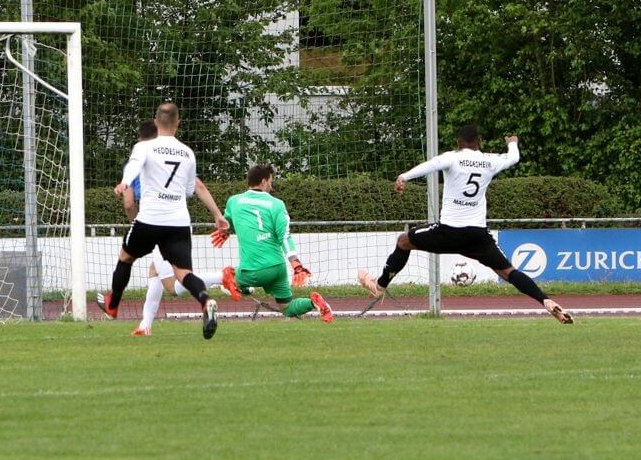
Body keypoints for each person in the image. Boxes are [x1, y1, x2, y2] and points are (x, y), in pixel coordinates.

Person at [357, 125, 573, 324]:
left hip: (448, 232)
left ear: (458, 143)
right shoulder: (490, 160)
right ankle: (546, 301)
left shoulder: (452, 157)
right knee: (508, 271)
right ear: (479, 142)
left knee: (404, 242)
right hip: (477, 236)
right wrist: (512, 142)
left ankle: (380, 286)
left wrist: (404, 176)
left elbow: (429, 166)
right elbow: (513, 158)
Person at [100, 102, 228, 340]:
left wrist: (124, 183)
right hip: (178, 222)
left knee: (126, 257)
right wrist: (217, 215)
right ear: (178, 123)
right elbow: (191, 189)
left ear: (156, 122)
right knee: (183, 273)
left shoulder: (145, 147)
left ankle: (113, 304)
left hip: (149, 219)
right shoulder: (188, 153)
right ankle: (205, 299)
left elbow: (134, 166)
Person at [211, 164, 334, 323]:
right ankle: (313, 302)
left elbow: (226, 223)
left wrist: (225, 231)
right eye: (270, 181)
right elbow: (284, 236)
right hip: (277, 268)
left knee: (226, 281)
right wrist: (296, 265)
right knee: (287, 308)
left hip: (253, 269)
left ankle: (248, 288)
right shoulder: (277, 204)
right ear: (263, 182)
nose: (271, 185)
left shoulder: (234, 201)